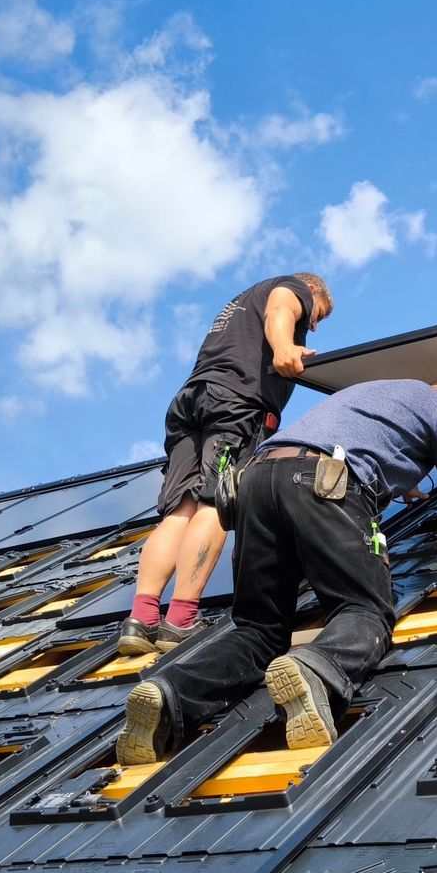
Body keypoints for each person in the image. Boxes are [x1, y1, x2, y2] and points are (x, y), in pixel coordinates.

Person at [115, 377, 437, 765]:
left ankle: (170, 692)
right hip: (322, 481)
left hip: (257, 481)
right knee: (363, 610)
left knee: (257, 630)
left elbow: (360, 438)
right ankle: (316, 668)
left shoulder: (368, 392)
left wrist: (404, 477)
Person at [120, 273, 334, 657]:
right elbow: (282, 307)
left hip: (191, 401)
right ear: (313, 291)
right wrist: (286, 346)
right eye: (319, 315)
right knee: (216, 504)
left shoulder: (239, 306)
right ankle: (181, 619)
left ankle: (141, 618)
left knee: (178, 512)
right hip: (236, 405)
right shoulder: (291, 288)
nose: (314, 326)